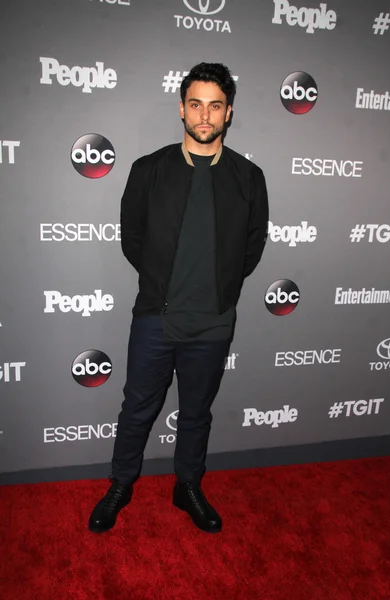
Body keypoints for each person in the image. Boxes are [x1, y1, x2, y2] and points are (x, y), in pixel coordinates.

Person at [89, 62, 269, 534]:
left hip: (213, 320)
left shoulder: (249, 178)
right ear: (182, 109)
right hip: (156, 317)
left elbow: (251, 248)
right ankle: (120, 484)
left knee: (196, 412)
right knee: (137, 408)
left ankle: (187, 485)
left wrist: (220, 289)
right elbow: (133, 241)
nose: (204, 116)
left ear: (229, 113)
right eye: (196, 104)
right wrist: (161, 283)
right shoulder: (148, 169)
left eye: (215, 106)